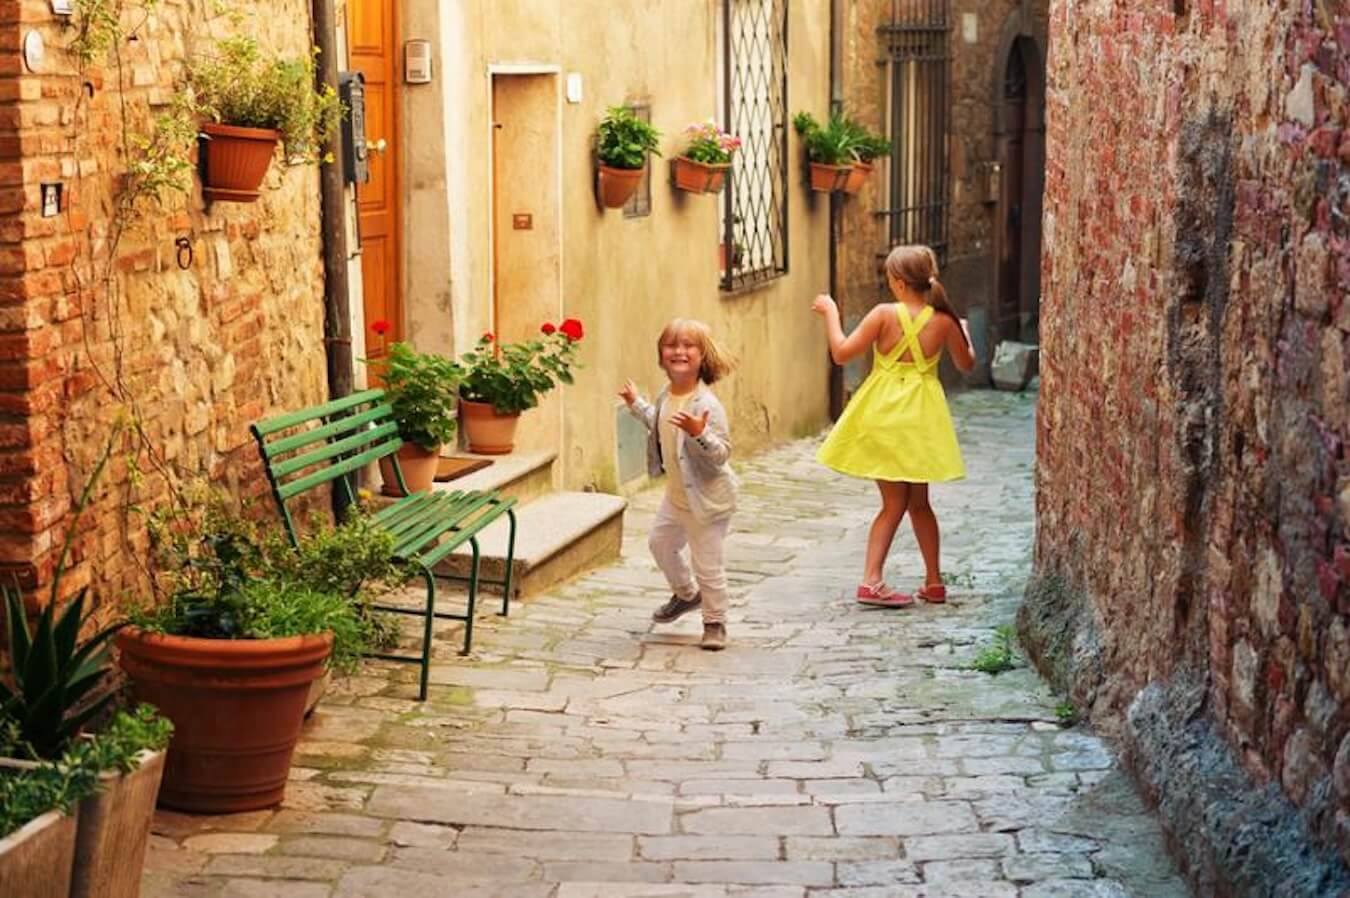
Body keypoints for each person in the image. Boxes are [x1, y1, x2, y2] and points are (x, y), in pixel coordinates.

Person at [811, 244, 976, 607]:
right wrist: (966, 333)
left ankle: (871, 580)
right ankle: (934, 581)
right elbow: (967, 364)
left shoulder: (884, 314)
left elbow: (841, 353)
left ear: (898, 282)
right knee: (919, 501)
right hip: (921, 418)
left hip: (883, 413)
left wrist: (831, 312)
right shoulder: (944, 321)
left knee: (892, 502)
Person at [619, 318, 739, 650]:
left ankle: (715, 622)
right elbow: (656, 424)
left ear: (703, 356)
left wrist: (700, 434)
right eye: (671, 345)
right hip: (677, 497)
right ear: (661, 355)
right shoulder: (665, 395)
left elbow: (722, 454)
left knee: (707, 564)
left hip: (708, 500)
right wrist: (635, 404)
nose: (679, 351)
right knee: (660, 543)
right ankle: (687, 595)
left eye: (688, 346)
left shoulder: (706, 405)